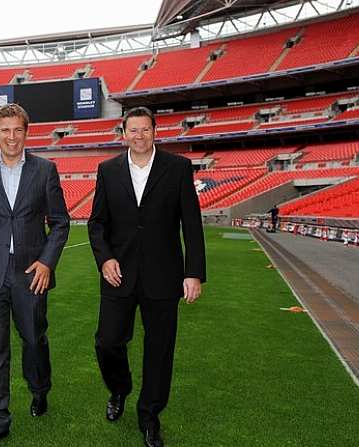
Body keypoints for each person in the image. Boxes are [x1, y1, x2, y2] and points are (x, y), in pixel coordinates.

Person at [87, 106, 206, 447]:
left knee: (160, 349)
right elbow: (97, 223)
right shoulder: (107, 170)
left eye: (145, 129)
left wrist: (193, 272)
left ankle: (149, 414)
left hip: (164, 275)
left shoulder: (178, 168)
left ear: (155, 131)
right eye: (132, 130)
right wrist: (105, 259)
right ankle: (119, 389)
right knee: (107, 341)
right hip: (118, 273)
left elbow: (191, 224)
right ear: (123, 133)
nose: (138, 136)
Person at [0, 103, 70, 447]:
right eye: (4, 130)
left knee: (33, 338)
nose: (11, 137)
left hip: (30, 272)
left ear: (26, 132)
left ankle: (39, 388)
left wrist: (47, 262)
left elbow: (60, 223)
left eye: (17, 130)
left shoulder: (45, 170)